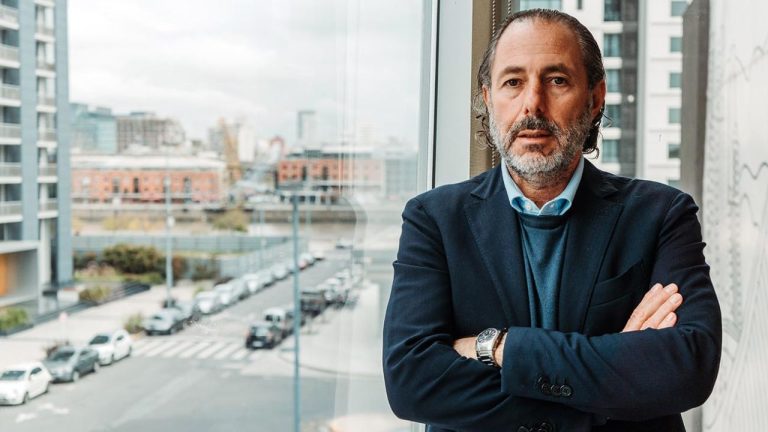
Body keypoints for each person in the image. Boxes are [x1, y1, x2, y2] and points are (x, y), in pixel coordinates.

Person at [382, 9, 721, 432]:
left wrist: (501, 347)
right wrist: (608, 382)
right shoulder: (433, 219)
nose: (532, 104)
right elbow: (412, 382)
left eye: (557, 80)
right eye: (513, 82)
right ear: (488, 98)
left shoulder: (662, 214)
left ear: (595, 98)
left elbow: (688, 367)